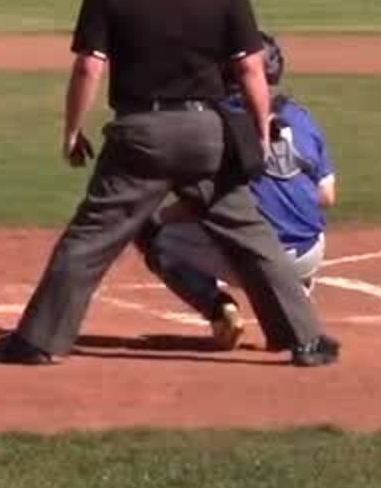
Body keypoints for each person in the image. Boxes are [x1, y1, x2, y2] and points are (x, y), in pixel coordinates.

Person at [0, 0, 339, 367]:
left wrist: (72, 132)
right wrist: (260, 129)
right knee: (250, 236)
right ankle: (307, 340)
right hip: (209, 133)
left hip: (141, 133)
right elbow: (252, 70)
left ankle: (38, 341)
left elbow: (88, 69)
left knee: (91, 238)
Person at [139, 33, 337, 350]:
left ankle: (219, 309)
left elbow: (199, 202)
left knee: (154, 237)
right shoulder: (303, 117)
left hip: (255, 258)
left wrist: (154, 218)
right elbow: (327, 196)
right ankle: (295, 292)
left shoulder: (216, 120)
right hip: (310, 253)